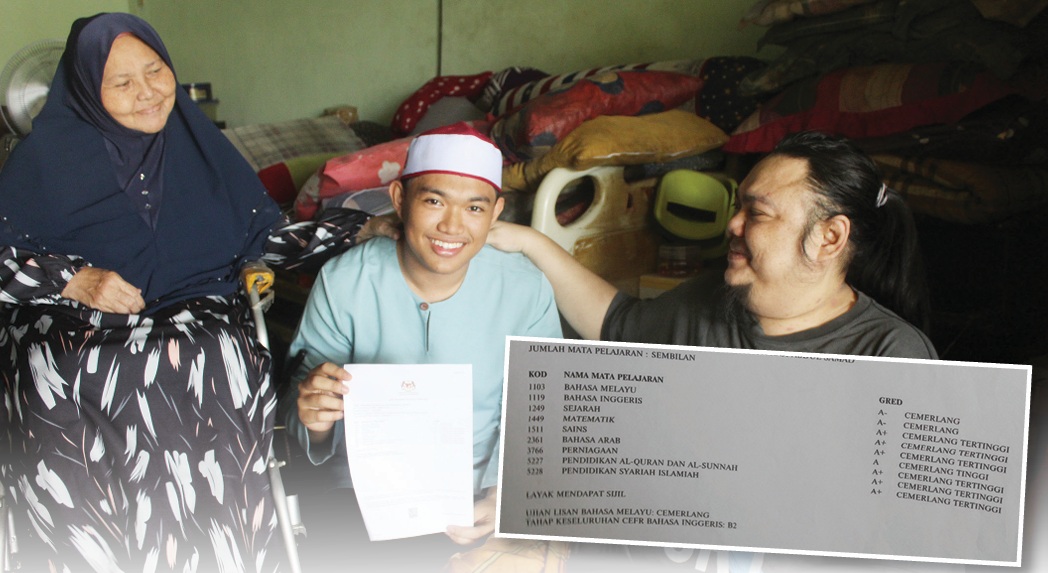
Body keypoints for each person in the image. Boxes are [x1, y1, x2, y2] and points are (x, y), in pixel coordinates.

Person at [0, 13, 369, 572]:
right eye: (122, 82)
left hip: (196, 314)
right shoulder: (39, 163)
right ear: (87, 90)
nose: (148, 91)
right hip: (74, 323)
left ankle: (221, 551)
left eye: (155, 70)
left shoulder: (201, 150)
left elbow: (262, 241)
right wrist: (73, 279)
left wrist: (362, 227)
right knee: (78, 368)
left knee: (219, 353)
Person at [486, 131, 941, 572]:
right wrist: (531, 243)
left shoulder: (892, 358)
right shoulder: (709, 302)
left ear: (829, 237)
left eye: (757, 213)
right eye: (738, 206)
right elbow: (617, 325)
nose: (733, 224)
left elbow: (905, 538)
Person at [279, 122, 563, 570]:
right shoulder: (346, 279)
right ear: (399, 199)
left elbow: (541, 415)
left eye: (474, 207)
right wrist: (314, 419)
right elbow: (304, 405)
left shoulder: (525, 288)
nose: (452, 226)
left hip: (479, 496)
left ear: (496, 213)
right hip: (360, 494)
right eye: (434, 201)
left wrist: (501, 497)